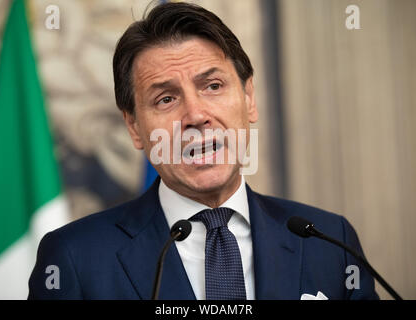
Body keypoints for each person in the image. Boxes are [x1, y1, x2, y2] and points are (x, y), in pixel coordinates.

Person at [28, 2, 378, 300]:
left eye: (212, 86)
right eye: (165, 99)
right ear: (134, 126)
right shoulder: (73, 257)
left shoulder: (330, 242)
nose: (195, 115)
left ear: (249, 98)